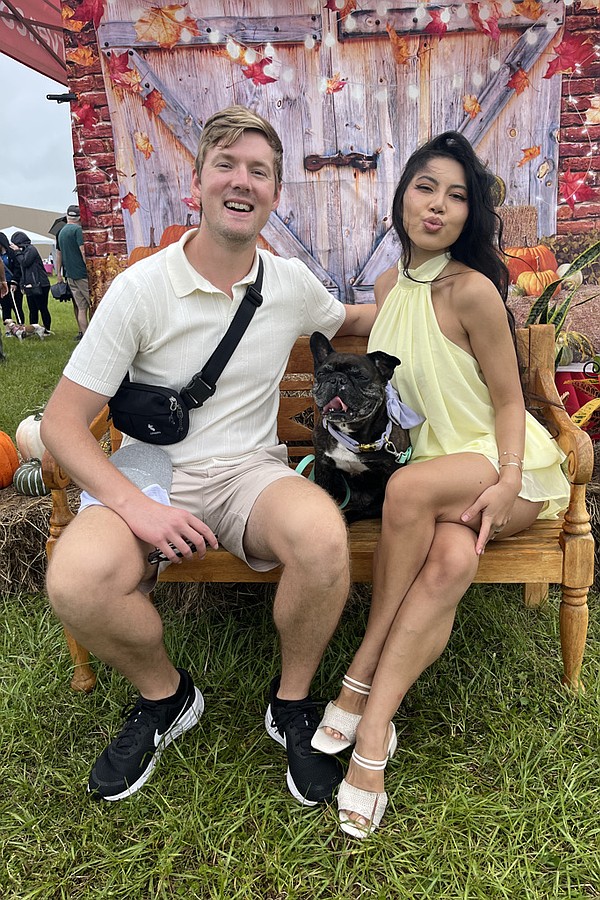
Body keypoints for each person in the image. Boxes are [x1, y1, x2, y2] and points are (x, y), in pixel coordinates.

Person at [41, 105, 374, 806]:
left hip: (249, 470)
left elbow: (350, 320)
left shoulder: (289, 284)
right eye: (226, 165)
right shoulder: (140, 290)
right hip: (152, 471)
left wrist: (431, 292)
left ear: (275, 193)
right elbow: (64, 425)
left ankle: (291, 703)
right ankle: (166, 697)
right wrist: (137, 509)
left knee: (322, 536)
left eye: (259, 171)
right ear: (196, 183)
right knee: (75, 581)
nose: (241, 181)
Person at [311, 131, 571, 838]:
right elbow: (383, 324)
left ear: (468, 216)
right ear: (402, 198)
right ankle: (377, 730)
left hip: (503, 464)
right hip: (435, 474)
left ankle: (359, 676)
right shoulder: (388, 287)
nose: (437, 205)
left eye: (456, 197)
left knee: (405, 491)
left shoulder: (473, 290)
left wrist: (507, 478)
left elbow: (510, 400)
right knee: (451, 559)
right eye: (425, 187)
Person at [55, 205, 90, 340]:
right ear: (80, 217)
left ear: (67, 216)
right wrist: (89, 269)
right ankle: (96, 335)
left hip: (69, 275)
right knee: (93, 305)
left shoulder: (61, 232)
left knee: (81, 308)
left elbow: (58, 254)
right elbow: (82, 251)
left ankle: (85, 336)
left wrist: (59, 274)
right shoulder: (78, 230)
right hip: (82, 273)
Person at [11, 231, 51, 333]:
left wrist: (17, 252)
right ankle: (33, 330)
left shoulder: (31, 249)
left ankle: (47, 329)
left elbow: (25, 262)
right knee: (32, 309)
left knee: (42, 307)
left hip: (40, 283)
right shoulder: (23, 251)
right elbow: (22, 270)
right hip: (29, 284)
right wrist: (22, 285)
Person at [0, 231, 24, 324]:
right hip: (3, 283)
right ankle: (8, 327)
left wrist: (15, 281)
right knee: (5, 306)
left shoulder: (12, 253)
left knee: (17, 306)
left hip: (13, 282)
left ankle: (21, 325)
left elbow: (18, 268)